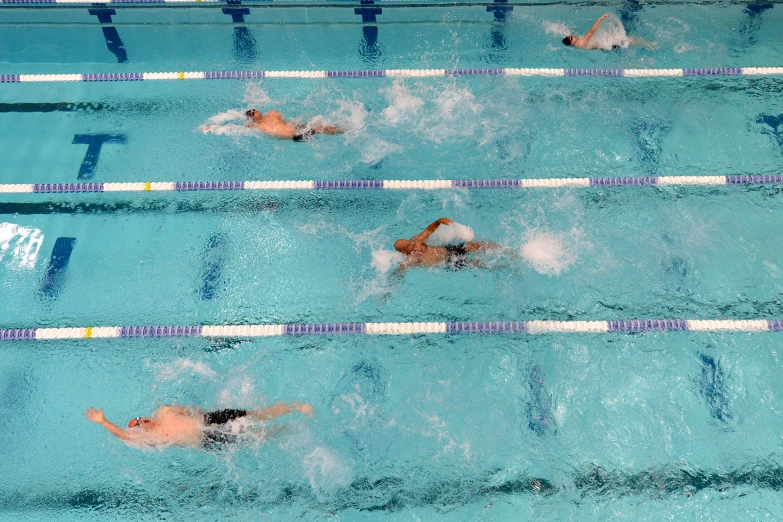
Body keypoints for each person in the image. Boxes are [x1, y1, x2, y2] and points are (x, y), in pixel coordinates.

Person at [85, 402, 314, 449]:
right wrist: (103, 421)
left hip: (210, 421)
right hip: (208, 440)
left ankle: (295, 407)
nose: (142, 421)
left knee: (256, 415)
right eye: (138, 424)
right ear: (141, 431)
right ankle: (286, 431)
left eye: (140, 417)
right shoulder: (154, 439)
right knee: (255, 437)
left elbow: (194, 410)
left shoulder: (165, 410)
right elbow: (124, 437)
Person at [393, 217, 499, 270]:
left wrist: (446, 223)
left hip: (449, 250)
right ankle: (502, 267)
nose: (411, 244)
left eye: (409, 242)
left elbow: (433, 226)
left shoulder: (417, 241)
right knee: (479, 264)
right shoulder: (410, 260)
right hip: (450, 262)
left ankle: (503, 249)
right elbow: (400, 272)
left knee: (479, 245)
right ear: (403, 251)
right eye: (408, 245)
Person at [562, 13, 653, 50]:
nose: (574, 36)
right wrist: (600, 19)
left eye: (572, 35)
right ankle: (648, 45)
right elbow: (590, 32)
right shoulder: (581, 43)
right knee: (629, 40)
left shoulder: (577, 45)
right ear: (572, 43)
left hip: (604, 46)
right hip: (609, 46)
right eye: (572, 38)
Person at [245, 108, 344, 141]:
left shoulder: (272, 113)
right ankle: (342, 131)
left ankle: (339, 130)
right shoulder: (259, 126)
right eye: (253, 113)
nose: (256, 111)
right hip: (295, 136)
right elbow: (243, 129)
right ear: (253, 118)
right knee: (320, 128)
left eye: (255, 109)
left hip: (297, 128)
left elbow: (285, 121)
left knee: (319, 124)